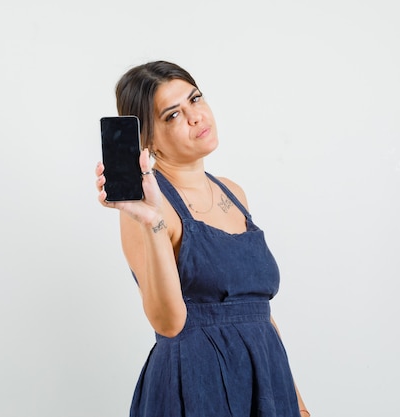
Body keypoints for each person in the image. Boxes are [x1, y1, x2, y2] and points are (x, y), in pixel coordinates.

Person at [95, 60, 310, 417]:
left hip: (266, 386)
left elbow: (260, 315)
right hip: (194, 388)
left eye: (195, 99)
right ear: (145, 139)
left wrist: (298, 405)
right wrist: (152, 221)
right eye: (172, 115)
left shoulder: (234, 192)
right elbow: (169, 323)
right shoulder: (145, 207)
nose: (195, 116)